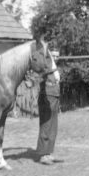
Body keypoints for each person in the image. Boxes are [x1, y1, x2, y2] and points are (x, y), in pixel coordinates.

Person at [31, 29, 61, 165]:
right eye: (43, 39)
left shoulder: (48, 53)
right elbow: (40, 70)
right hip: (47, 91)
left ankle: (49, 152)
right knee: (46, 123)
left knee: (53, 124)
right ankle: (43, 154)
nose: (46, 42)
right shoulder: (39, 54)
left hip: (55, 90)